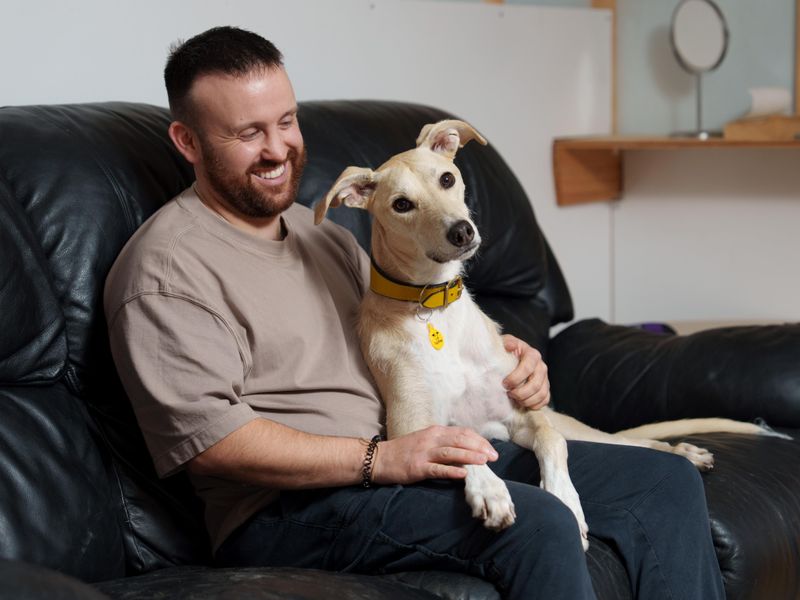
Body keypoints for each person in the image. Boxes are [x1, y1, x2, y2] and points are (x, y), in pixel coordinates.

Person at [104, 26, 725, 600]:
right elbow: (215, 444)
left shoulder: (322, 236)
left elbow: (415, 331)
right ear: (187, 141)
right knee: (535, 520)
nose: (277, 149)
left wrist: (513, 360)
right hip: (292, 509)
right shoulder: (165, 271)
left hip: (416, 459)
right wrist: (378, 460)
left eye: (286, 121)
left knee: (662, 484)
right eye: (248, 133)